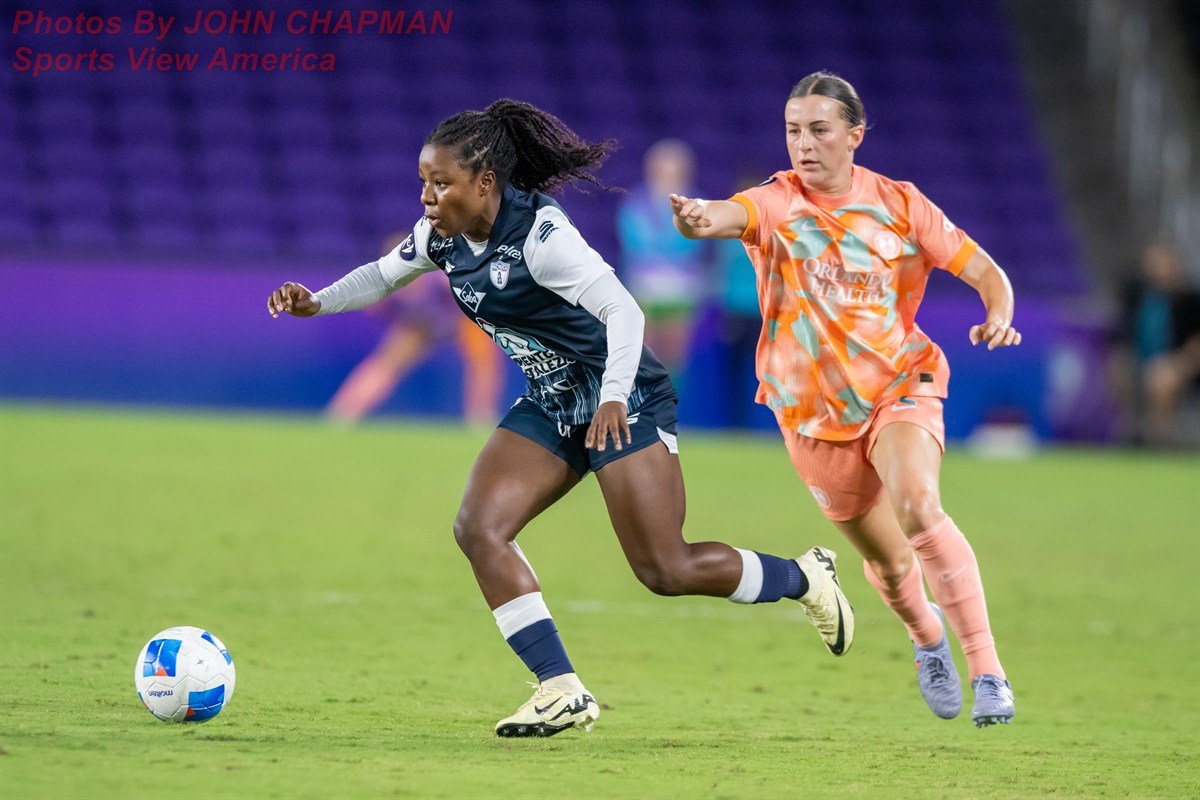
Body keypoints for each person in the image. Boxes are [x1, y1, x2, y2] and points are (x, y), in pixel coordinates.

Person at [267, 99, 854, 738]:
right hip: (552, 400)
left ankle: (803, 577)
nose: (428, 197)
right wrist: (317, 301)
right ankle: (559, 688)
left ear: (484, 182)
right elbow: (383, 276)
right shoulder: (440, 235)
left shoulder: (542, 237)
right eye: (424, 182)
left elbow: (624, 312)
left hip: (623, 398)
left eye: (441, 183)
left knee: (665, 569)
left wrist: (613, 396)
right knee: (479, 529)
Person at [669, 72, 1019, 727]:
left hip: (900, 383)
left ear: (854, 135)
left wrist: (998, 310)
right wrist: (697, 218)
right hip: (811, 416)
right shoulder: (776, 201)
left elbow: (982, 269)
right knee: (887, 561)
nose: (804, 144)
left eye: (819, 130)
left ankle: (988, 670)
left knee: (918, 506)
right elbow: (724, 215)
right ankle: (927, 639)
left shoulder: (900, 203)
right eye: (793, 131)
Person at [326, 230, 504, 426]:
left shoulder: (439, 278)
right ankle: (343, 414)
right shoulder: (388, 287)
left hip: (461, 319)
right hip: (421, 327)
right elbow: (372, 307)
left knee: (483, 363)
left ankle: (481, 418)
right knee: (386, 364)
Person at [616, 139, 706, 380]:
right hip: (645, 287)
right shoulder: (636, 204)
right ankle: (646, 399)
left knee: (675, 355)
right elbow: (635, 243)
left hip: (682, 288)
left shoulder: (697, 205)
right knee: (644, 352)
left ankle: (672, 398)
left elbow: (692, 244)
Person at [1113, 241, 1200, 448]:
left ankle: (1161, 440)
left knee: (1161, 379)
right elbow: (1123, 331)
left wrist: (1179, 362)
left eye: (1164, 263)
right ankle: (1132, 432)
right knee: (1119, 372)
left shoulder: (1190, 300)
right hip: (1141, 359)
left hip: (1179, 362)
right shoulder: (1137, 295)